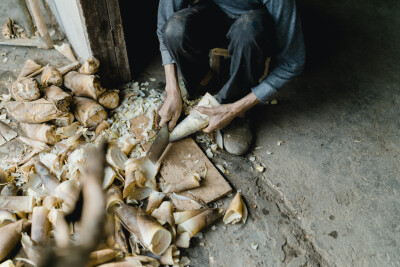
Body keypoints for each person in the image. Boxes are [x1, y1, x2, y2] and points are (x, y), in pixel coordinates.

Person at [157, 0, 305, 155]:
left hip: (253, 26)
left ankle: (237, 106)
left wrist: (234, 109)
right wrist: (172, 89)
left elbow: (292, 62)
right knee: (175, 28)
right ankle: (203, 82)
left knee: (249, 31)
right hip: (214, 13)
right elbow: (164, 23)